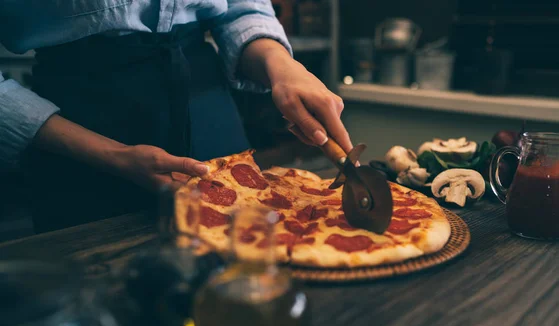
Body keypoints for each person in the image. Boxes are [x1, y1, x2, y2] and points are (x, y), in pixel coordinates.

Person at [0, 0, 353, 233]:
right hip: (80, 133)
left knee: (252, 268)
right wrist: (113, 155)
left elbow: (240, 9)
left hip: (207, 109)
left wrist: (281, 66)